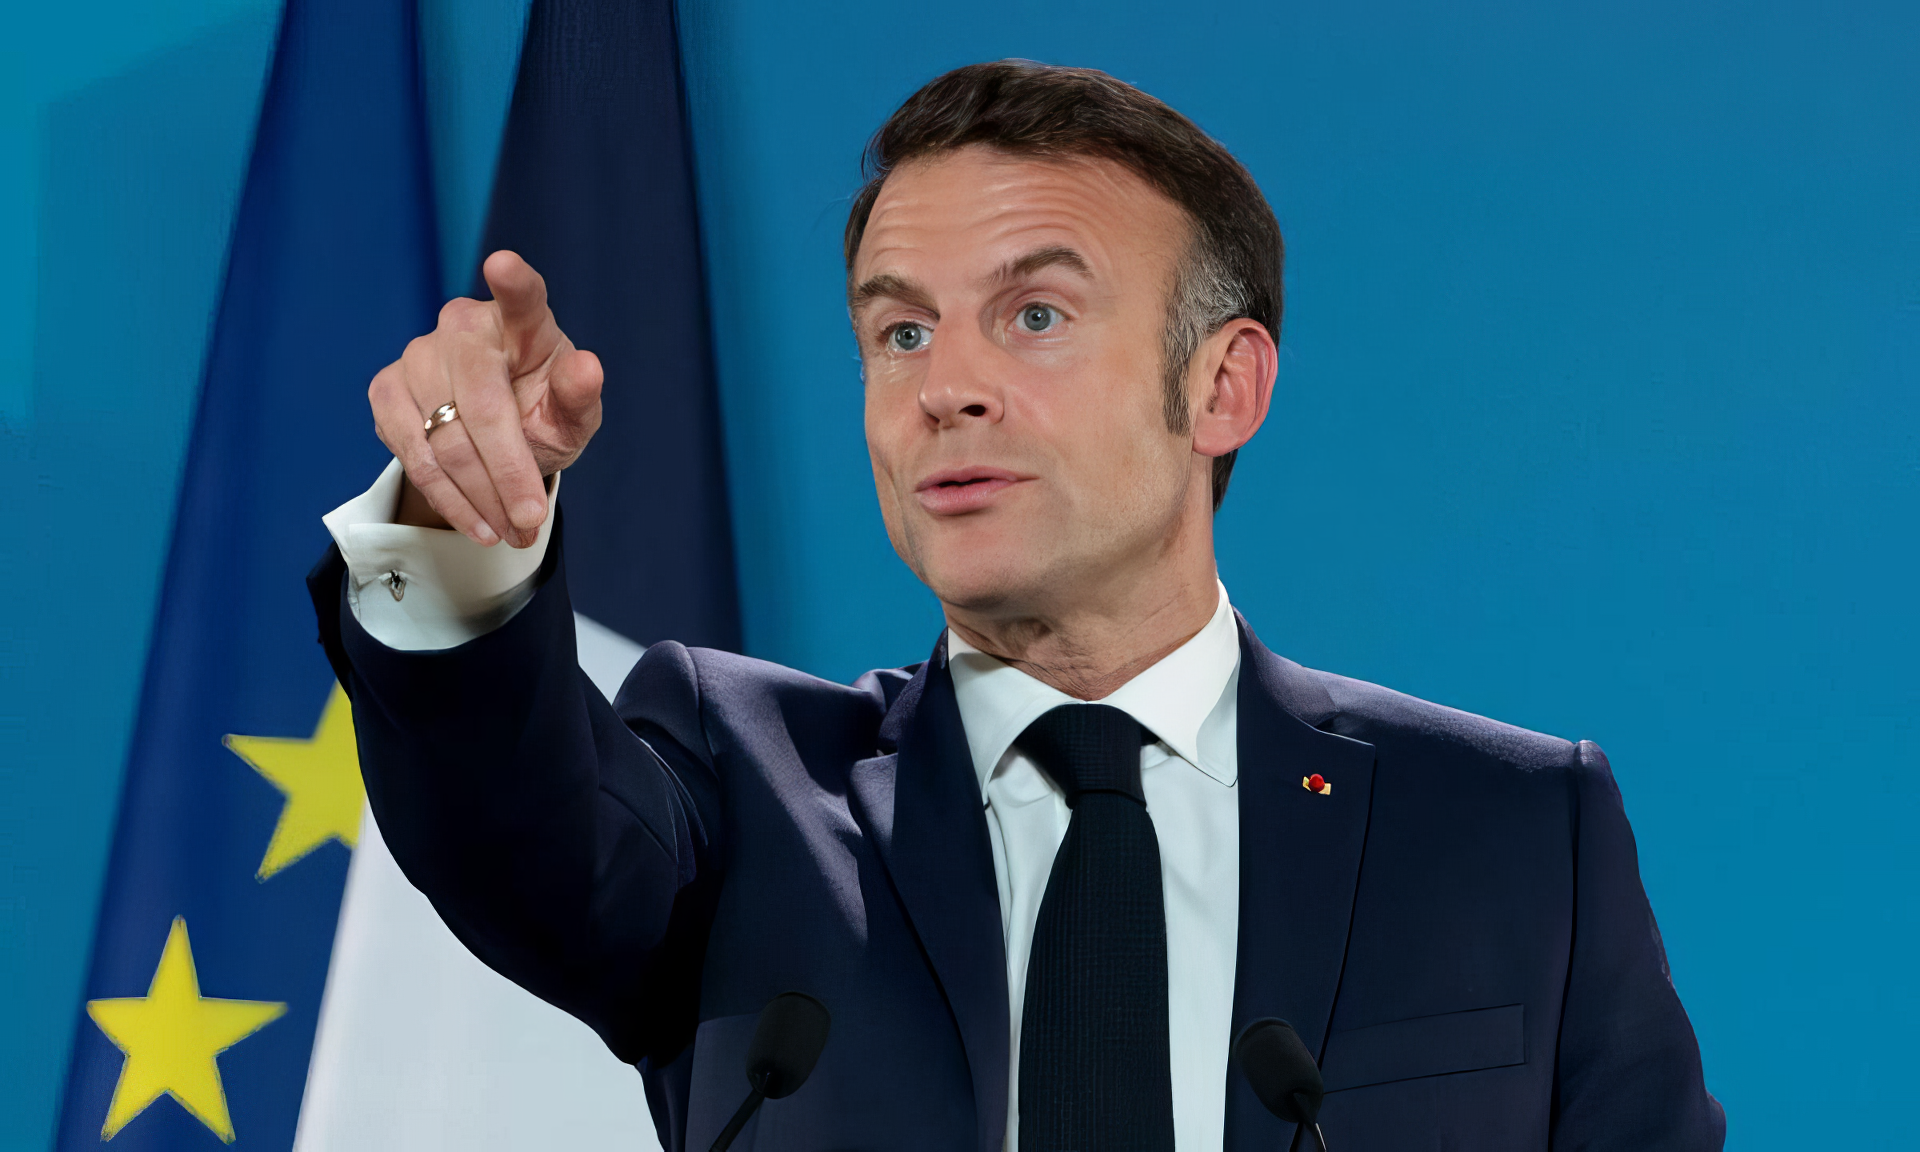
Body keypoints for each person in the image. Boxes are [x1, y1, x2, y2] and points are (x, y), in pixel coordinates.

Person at [311, 61, 1723, 1152]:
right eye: (900, 329)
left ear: (1221, 387)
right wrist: (459, 523)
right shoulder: (742, 788)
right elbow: (510, 831)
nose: (945, 387)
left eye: (1035, 315)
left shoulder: (1514, 832)